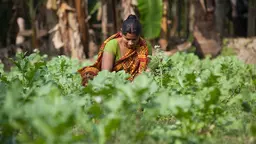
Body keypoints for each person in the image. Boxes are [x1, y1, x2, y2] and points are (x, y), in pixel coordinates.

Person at [78, 14, 152, 86]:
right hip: (113, 81)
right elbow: (106, 73)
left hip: (135, 81)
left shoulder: (144, 46)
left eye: (134, 40)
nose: (130, 43)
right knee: (89, 74)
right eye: (127, 39)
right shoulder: (112, 45)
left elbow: (146, 70)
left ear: (139, 36)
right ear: (121, 33)